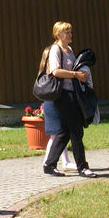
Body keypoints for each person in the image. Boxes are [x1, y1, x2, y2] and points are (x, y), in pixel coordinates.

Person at [42, 21, 97, 178]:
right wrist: (75, 75)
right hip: (63, 95)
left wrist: (82, 73)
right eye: (67, 32)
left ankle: (49, 164)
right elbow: (55, 71)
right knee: (76, 130)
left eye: (70, 32)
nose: (70, 34)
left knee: (65, 131)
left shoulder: (70, 50)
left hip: (73, 93)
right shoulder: (55, 49)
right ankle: (82, 167)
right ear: (58, 35)